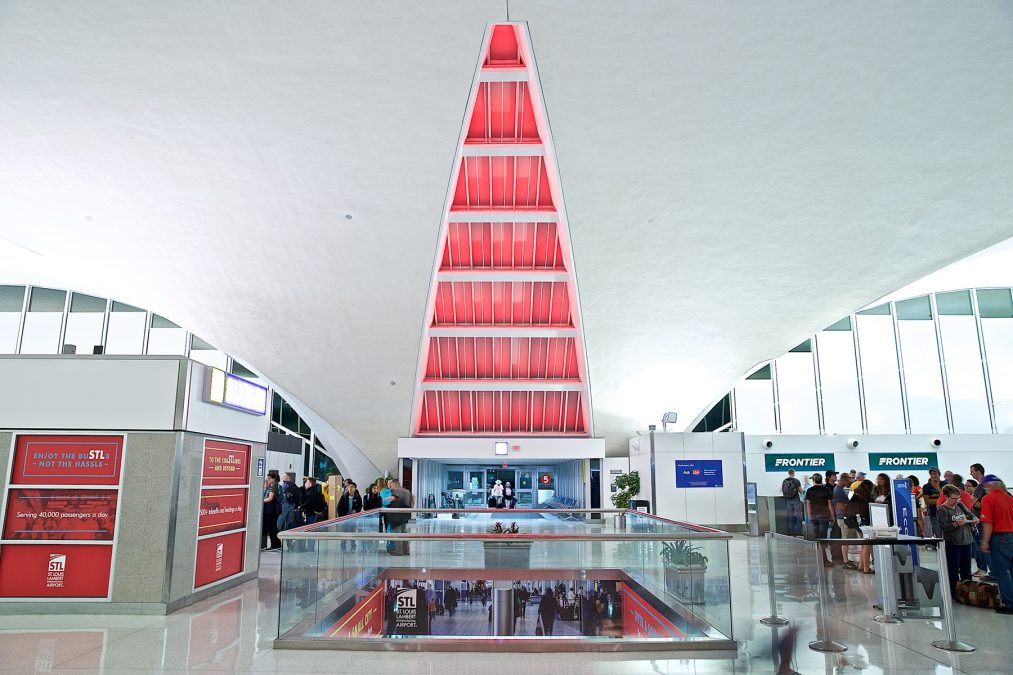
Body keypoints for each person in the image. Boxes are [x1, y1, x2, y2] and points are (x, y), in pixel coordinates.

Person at [979, 475, 1013, 614]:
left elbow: (988, 523)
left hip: (999, 539)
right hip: (1011, 537)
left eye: (985, 485)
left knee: (1001, 572)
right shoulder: (1010, 498)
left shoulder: (988, 499)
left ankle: (1010, 604)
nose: (984, 488)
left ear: (991, 485)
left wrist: (985, 541)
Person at [937, 484, 978, 595]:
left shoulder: (960, 505)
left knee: (966, 569)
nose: (955, 501)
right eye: (953, 498)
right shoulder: (942, 509)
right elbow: (943, 527)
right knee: (953, 569)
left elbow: (972, 515)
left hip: (967, 540)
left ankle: (968, 592)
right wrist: (955, 524)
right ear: (945, 496)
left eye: (957, 498)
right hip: (953, 542)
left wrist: (974, 520)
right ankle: (954, 592)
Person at [804, 473, 835, 566]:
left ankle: (819, 560)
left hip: (814, 516)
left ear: (813, 481)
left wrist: (809, 516)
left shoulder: (809, 491)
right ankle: (824, 561)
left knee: (817, 539)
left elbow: (808, 504)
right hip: (824, 516)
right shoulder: (826, 490)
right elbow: (830, 504)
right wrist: (833, 516)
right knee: (823, 538)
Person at [846, 479, 874, 574]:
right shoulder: (866, 497)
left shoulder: (855, 495)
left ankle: (861, 566)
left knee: (863, 544)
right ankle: (866, 568)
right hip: (865, 521)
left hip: (856, 522)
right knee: (867, 545)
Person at [969, 463, 991, 578]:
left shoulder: (981, 485)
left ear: (978, 471)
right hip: (981, 519)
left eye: (972, 471)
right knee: (981, 545)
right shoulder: (982, 485)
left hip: (982, 520)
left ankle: (991, 572)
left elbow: (970, 501)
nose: (970, 473)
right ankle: (985, 569)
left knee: (984, 545)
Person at [385, 479, 414, 556]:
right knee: (404, 533)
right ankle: (406, 551)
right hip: (405, 517)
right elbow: (413, 500)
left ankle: (398, 551)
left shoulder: (398, 491)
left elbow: (395, 498)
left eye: (392, 484)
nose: (391, 486)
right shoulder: (407, 491)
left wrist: (386, 500)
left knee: (397, 534)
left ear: (395, 484)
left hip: (397, 517)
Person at [278, 472, 303, 550]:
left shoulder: (283, 486)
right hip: (292, 507)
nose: (282, 479)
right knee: (289, 525)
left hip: (284, 507)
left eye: (283, 477)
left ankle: (277, 543)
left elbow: (280, 497)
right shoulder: (295, 486)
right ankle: (289, 544)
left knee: (279, 524)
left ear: (286, 478)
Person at [833, 475, 854, 565]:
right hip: (842, 517)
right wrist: (851, 505)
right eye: (847, 481)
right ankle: (845, 560)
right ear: (843, 480)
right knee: (845, 539)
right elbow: (840, 506)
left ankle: (846, 559)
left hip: (842, 517)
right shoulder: (839, 491)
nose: (848, 483)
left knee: (846, 538)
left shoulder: (839, 490)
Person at [337, 481, 362, 551]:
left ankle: (353, 547)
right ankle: (343, 547)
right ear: (347, 488)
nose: (350, 488)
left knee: (353, 532)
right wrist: (343, 515)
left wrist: (356, 510)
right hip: (345, 518)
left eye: (352, 487)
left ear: (355, 489)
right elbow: (339, 508)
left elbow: (360, 506)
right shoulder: (344, 496)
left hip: (353, 518)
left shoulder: (357, 497)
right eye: (349, 487)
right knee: (344, 533)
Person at [922, 467, 944, 544]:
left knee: (948, 536)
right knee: (938, 536)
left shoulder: (945, 484)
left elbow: (948, 498)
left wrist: (937, 488)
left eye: (935, 474)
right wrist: (941, 500)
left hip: (947, 514)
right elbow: (927, 501)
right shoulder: (926, 486)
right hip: (934, 513)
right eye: (931, 474)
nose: (933, 476)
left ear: (939, 474)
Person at [262, 474, 281, 551]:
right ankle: (277, 544)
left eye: (269, 478)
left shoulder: (274, 486)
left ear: (274, 478)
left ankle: (275, 544)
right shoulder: (273, 486)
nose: (268, 479)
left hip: (271, 510)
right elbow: (265, 488)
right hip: (272, 510)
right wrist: (267, 483)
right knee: (273, 527)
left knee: (271, 527)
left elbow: (270, 498)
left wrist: (261, 501)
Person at [781, 469, 804, 536]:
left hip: (788, 500)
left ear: (788, 473)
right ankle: (798, 532)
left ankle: (791, 531)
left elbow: (782, 490)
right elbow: (801, 491)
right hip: (796, 500)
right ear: (793, 473)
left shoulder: (784, 481)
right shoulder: (796, 481)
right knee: (798, 515)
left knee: (790, 516)